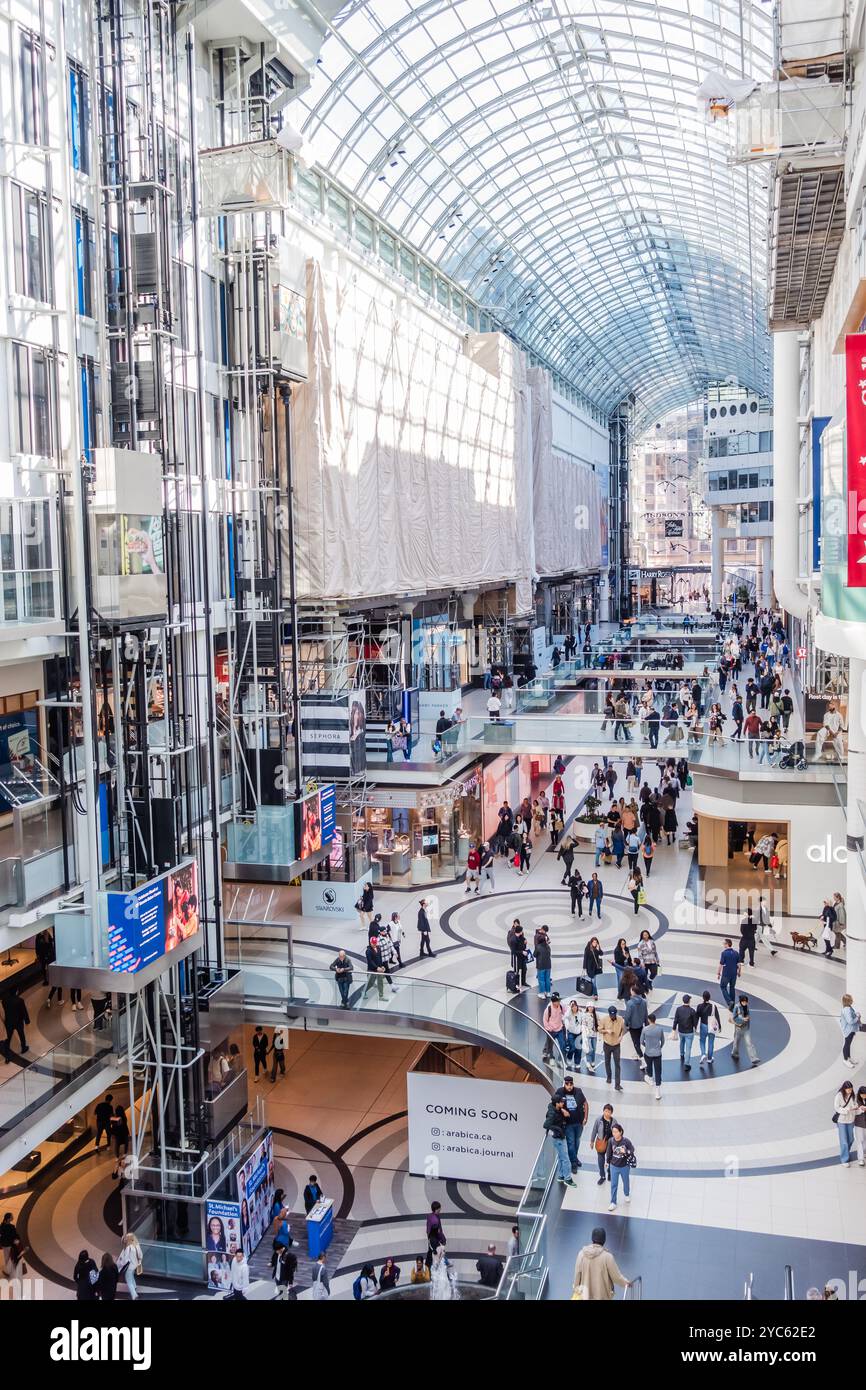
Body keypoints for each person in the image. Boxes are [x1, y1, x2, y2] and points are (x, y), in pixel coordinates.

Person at [572, 1227, 632, 1301]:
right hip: (602, 1296)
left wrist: (576, 1288)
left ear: (592, 1238)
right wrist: (626, 1283)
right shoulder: (607, 1257)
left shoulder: (581, 1254)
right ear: (604, 1240)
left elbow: (577, 1274)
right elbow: (616, 1277)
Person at [552, 1074, 588, 1172]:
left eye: (571, 1084)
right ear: (564, 1084)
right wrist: (563, 1110)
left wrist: (585, 1118)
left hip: (579, 1122)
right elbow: (554, 1104)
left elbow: (585, 1103)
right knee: (571, 1143)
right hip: (568, 1124)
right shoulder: (560, 1092)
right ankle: (573, 1163)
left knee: (577, 1142)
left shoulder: (578, 1091)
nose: (569, 1086)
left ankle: (574, 1158)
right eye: (567, 1084)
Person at [543, 1093, 576, 1187]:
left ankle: (561, 1176)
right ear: (557, 1103)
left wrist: (562, 1110)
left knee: (562, 1158)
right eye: (561, 1102)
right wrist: (559, 1130)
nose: (563, 1103)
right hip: (558, 1138)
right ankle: (568, 1179)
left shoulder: (556, 1108)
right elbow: (546, 1125)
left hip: (560, 1136)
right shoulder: (552, 1113)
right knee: (566, 1159)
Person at [607, 1124, 635, 1212]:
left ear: (621, 1132)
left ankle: (626, 1194)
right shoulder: (611, 1141)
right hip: (614, 1166)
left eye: (616, 1132)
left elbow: (632, 1150)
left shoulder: (626, 1141)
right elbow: (609, 1152)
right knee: (613, 1184)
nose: (614, 1134)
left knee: (626, 1181)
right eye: (613, 1132)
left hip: (624, 1166)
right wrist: (607, 1162)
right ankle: (613, 1202)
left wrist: (625, 1151)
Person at [598, 1005, 624, 1091]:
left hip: (616, 1045)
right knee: (607, 1062)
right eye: (611, 1015)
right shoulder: (604, 1019)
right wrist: (606, 1031)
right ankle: (609, 1077)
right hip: (607, 1044)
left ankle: (617, 1084)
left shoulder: (620, 1019)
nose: (613, 1016)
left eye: (614, 1015)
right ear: (609, 1014)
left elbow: (624, 1029)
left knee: (617, 1064)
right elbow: (599, 1029)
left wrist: (621, 1036)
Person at [731, 994, 760, 1066]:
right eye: (743, 1002)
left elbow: (748, 1015)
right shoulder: (737, 1007)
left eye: (746, 1002)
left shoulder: (747, 1007)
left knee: (749, 1043)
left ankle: (754, 1058)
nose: (745, 1003)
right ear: (741, 1001)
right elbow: (734, 1017)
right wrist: (742, 1019)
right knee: (736, 1043)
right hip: (738, 1028)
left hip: (746, 1028)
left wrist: (747, 1018)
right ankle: (734, 1053)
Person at [1, 987, 29, 1061]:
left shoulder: (4, 1001)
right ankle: (23, 1048)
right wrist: (27, 1020)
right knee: (21, 1035)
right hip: (18, 1022)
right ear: (16, 992)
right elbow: (24, 1011)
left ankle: (7, 1056)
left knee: (8, 1039)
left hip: (9, 1023)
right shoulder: (20, 1000)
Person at [695, 990, 721, 1066]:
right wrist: (719, 1026)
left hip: (703, 1026)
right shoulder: (713, 1006)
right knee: (711, 1042)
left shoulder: (699, 1006)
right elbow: (717, 1017)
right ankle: (709, 1059)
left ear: (703, 998)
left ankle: (703, 1054)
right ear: (709, 998)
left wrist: (695, 1026)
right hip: (712, 1026)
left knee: (702, 1041)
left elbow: (697, 1016)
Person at [835, 1080, 858, 1165]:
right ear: (844, 1088)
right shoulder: (839, 1096)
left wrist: (854, 1107)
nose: (850, 1091)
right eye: (848, 1089)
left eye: (851, 1089)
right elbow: (837, 1108)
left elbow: (856, 1105)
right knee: (844, 1141)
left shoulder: (853, 1095)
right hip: (841, 1121)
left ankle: (845, 1152)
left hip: (851, 1120)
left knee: (851, 1139)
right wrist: (846, 1110)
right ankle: (844, 1159)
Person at [672, 994, 697, 1070]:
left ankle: (682, 1054)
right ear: (689, 1001)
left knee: (681, 1042)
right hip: (689, 1032)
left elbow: (675, 1020)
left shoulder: (678, 1009)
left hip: (681, 1031)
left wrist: (674, 1028)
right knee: (688, 1048)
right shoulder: (692, 1011)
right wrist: (695, 1028)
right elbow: (695, 1022)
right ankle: (687, 1063)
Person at [624, 987, 648, 1068]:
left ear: (633, 992)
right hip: (640, 1025)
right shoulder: (644, 1002)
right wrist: (646, 1024)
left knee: (636, 1043)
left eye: (631, 990)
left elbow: (627, 1015)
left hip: (633, 1026)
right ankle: (638, 1054)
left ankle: (643, 1060)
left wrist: (626, 1024)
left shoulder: (630, 1003)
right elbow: (646, 1014)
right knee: (640, 1040)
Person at [116, 1231, 143, 1299]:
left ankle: (134, 1295)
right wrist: (139, 1262)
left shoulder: (129, 1248)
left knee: (128, 1278)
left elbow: (125, 1260)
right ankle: (134, 1286)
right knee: (131, 1275)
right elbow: (141, 1255)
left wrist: (120, 1264)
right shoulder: (137, 1245)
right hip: (136, 1264)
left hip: (131, 1266)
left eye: (126, 1238)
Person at [717, 937, 741, 1010]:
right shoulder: (736, 953)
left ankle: (729, 1001)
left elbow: (721, 964)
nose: (723, 945)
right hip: (734, 974)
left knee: (723, 986)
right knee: (732, 987)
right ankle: (732, 1005)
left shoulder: (724, 953)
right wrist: (739, 972)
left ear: (727, 944)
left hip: (726, 974)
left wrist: (718, 973)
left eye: (724, 943)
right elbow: (739, 964)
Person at [542, 992, 565, 1063]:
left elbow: (566, 1011)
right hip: (551, 1030)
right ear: (554, 1002)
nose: (559, 1002)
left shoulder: (561, 1006)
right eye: (557, 1001)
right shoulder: (548, 1009)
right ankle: (551, 1057)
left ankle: (560, 1059)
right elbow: (545, 1020)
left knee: (563, 1044)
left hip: (559, 1029)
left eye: (559, 1000)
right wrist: (549, 1029)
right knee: (550, 1045)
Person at [840, 994, 860, 1067]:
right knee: (847, 1044)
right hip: (848, 1030)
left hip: (850, 1030)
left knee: (848, 1044)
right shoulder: (846, 1010)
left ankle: (849, 1058)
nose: (852, 1001)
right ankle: (845, 1060)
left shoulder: (848, 1007)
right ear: (847, 1001)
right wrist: (857, 1017)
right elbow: (850, 1021)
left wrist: (855, 1014)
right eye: (851, 1000)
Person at [110, 1104, 129, 1179]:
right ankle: (124, 1154)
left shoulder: (119, 1118)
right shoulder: (123, 1117)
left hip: (118, 1133)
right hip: (124, 1133)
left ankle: (117, 1157)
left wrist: (113, 1119)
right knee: (125, 1143)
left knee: (117, 1145)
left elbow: (115, 1122)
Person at [425, 1202, 446, 1266]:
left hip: (431, 1238)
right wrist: (443, 1239)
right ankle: (436, 1267)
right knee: (439, 1253)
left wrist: (428, 1238)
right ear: (436, 1209)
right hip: (434, 1239)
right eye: (439, 1208)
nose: (440, 1209)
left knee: (430, 1253)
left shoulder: (430, 1216)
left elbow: (428, 1229)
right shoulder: (435, 1220)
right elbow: (439, 1231)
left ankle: (427, 1267)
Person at [535, 927, 552, 998]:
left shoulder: (538, 947)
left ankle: (542, 993)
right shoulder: (548, 947)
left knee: (541, 979)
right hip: (548, 965)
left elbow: (534, 955)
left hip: (541, 965)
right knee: (547, 979)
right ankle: (548, 992)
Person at [854, 1086, 866, 1167]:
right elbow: (853, 1112)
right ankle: (861, 1159)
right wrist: (860, 1110)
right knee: (859, 1140)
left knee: (865, 1140)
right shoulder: (855, 1100)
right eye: (862, 1095)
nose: (864, 1096)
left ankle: (864, 1153)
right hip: (858, 1123)